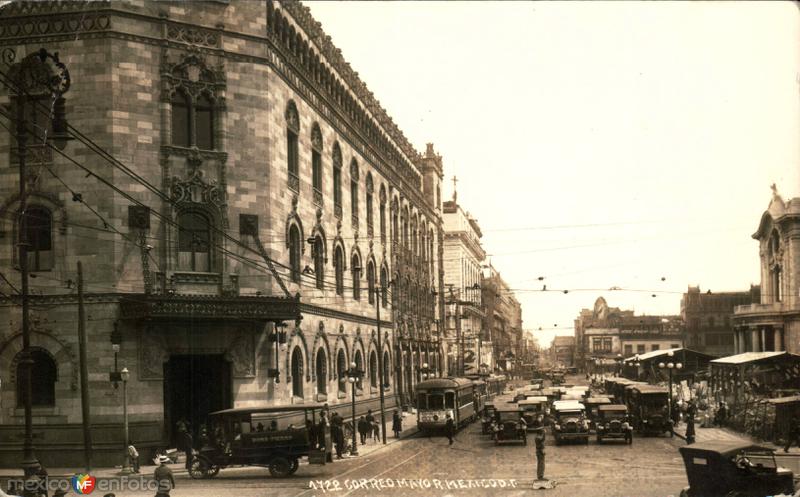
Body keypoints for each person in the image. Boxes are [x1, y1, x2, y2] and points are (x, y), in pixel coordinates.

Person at [530, 414, 546, 480]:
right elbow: (541, 440)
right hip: (540, 450)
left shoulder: (538, 435)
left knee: (541, 463)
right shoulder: (538, 437)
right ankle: (540, 476)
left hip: (540, 449)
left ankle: (540, 476)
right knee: (541, 464)